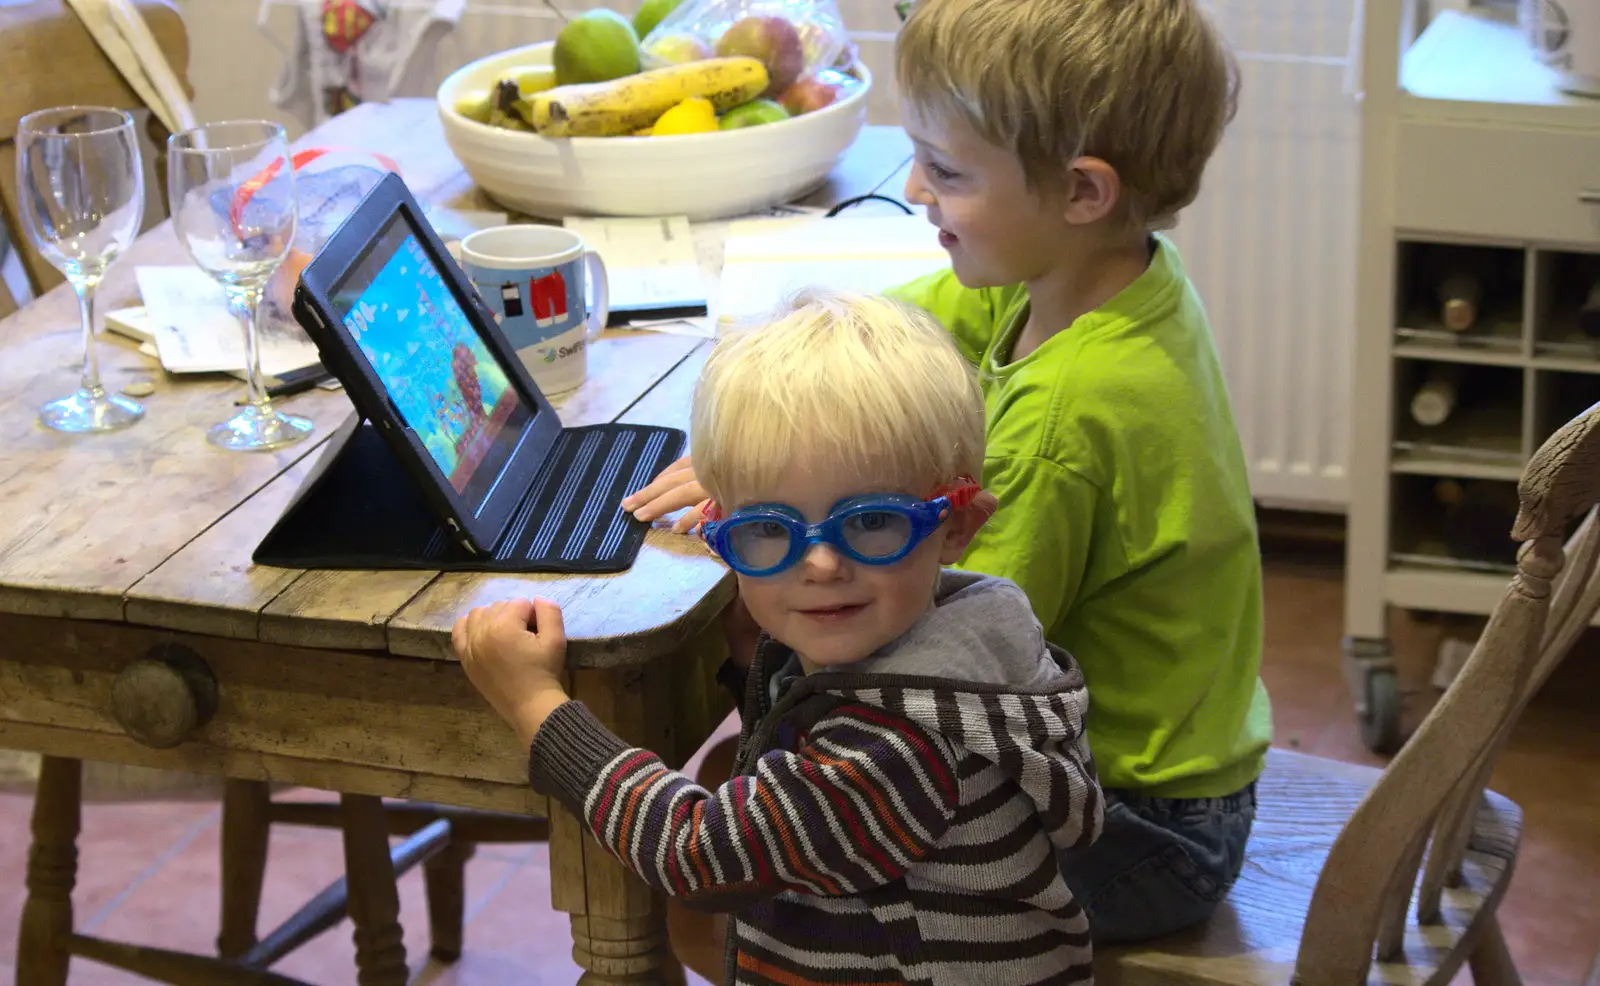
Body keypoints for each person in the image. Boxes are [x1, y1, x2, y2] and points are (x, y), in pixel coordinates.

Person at [621, 0, 1272, 946]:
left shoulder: (1064, 417)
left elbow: (921, 656)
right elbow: (895, 330)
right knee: (742, 783)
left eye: (949, 171)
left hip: (1146, 830)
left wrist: (758, 538)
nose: (916, 187)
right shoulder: (1089, 275)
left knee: (715, 877)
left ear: (1082, 191)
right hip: (1176, 772)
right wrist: (764, 435)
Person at [455, 293, 1104, 984]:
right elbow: (816, 750)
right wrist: (759, 667)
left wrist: (534, 705)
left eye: (872, 521)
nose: (820, 565)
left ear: (956, 527)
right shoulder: (973, 631)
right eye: (768, 530)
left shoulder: (898, 749)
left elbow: (695, 856)